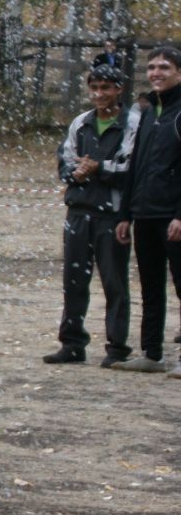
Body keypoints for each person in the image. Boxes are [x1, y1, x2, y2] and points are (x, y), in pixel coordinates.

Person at [43, 65, 138, 366]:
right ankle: (72, 343)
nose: (99, 94)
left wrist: (101, 169)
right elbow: (65, 162)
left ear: (119, 90)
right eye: (94, 88)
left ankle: (117, 346)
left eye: (106, 88)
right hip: (78, 212)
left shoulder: (131, 124)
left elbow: (132, 168)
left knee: (114, 282)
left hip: (111, 214)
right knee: (73, 280)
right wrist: (78, 174)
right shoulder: (81, 123)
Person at [110, 46, 181, 376]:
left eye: (164, 67)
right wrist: (126, 213)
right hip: (145, 213)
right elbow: (135, 166)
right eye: (152, 67)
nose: (156, 72)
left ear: (178, 72)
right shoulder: (149, 112)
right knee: (151, 287)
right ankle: (152, 354)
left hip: (173, 216)